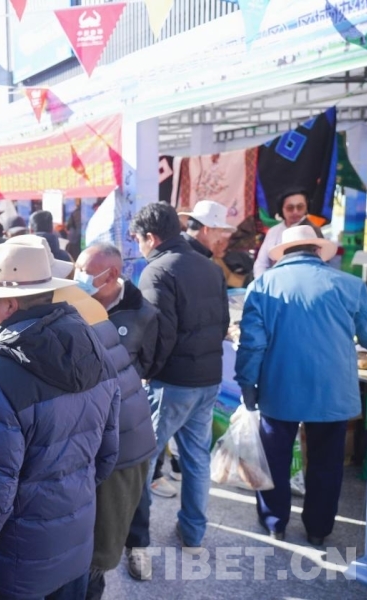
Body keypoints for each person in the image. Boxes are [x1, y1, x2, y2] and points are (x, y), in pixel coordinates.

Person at [0, 243, 120, 599]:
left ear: (10, 305)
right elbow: (107, 454)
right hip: (75, 541)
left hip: (16, 559)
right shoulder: (93, 346)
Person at [236, 225, 367, 545]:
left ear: (283, 253)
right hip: (333, 391)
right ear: (316, 250)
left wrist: (247, 384)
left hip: (279, 387)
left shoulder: (263, 285)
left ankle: (275, 523)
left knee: (275, 460)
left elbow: (252, 345)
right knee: (327, 463)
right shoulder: (350, 285)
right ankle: (318, 530)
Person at [129, 202, 230, 556]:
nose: (139, 246)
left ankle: (137, 541)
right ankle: (193, 535)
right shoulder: (210, 267)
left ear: (151, 237)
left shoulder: (157, 271)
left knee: (143, 459)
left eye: (138, 240)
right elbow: (222, 324)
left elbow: (159, 335)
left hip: (172, 383)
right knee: (197, 458)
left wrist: (146, 372)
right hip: (208, 378)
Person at [74, 243, 160, 587]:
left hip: (126, 416)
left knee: (132, 487)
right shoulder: (75, 303)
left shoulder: (142, 312)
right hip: (88, 418)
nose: (78, 277)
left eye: (85, 271)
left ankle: (137, 545)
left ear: (110, 274)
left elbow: (151, 361)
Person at [253, 189, 316, 279]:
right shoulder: (273, 231)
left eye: (300, 207)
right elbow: (261, 263)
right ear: (281, 209)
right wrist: (262, 282)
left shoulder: (312, 231)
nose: (295, 212)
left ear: (307, 208)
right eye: (290, 208)